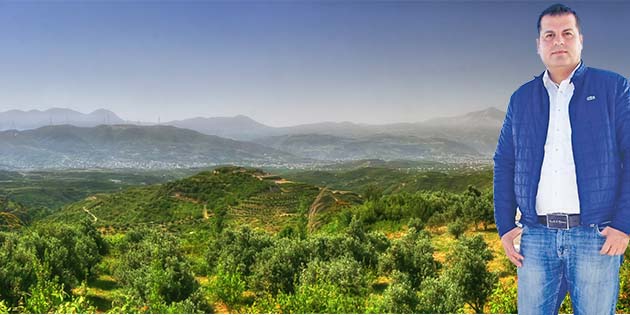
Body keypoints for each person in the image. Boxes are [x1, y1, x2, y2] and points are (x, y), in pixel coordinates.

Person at [493, 3, 630, 315]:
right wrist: (504, 225)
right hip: (535, 238)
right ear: (538, 44)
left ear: (580, 39)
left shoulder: (614, 88)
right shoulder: (521, 98)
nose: (558, 41)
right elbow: (504, 162)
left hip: (596, 237)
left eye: (567, 33)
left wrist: (624, 224)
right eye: (549, 35)